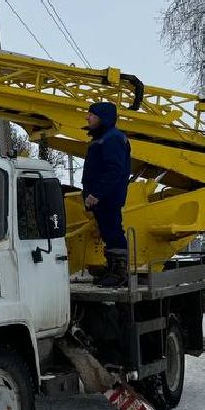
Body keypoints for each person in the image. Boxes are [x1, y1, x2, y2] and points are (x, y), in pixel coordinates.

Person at [82, 100, 132, 287]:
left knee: (113, 232)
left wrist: (97, 193)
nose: (88, 117)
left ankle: (119, 272)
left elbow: (114, 170)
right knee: (107, 231)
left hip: (107, 197)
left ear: (102, 118)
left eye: (91, 114)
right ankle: (112, 268)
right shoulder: (102, 137)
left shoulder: (112, 138)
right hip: (101, 197)